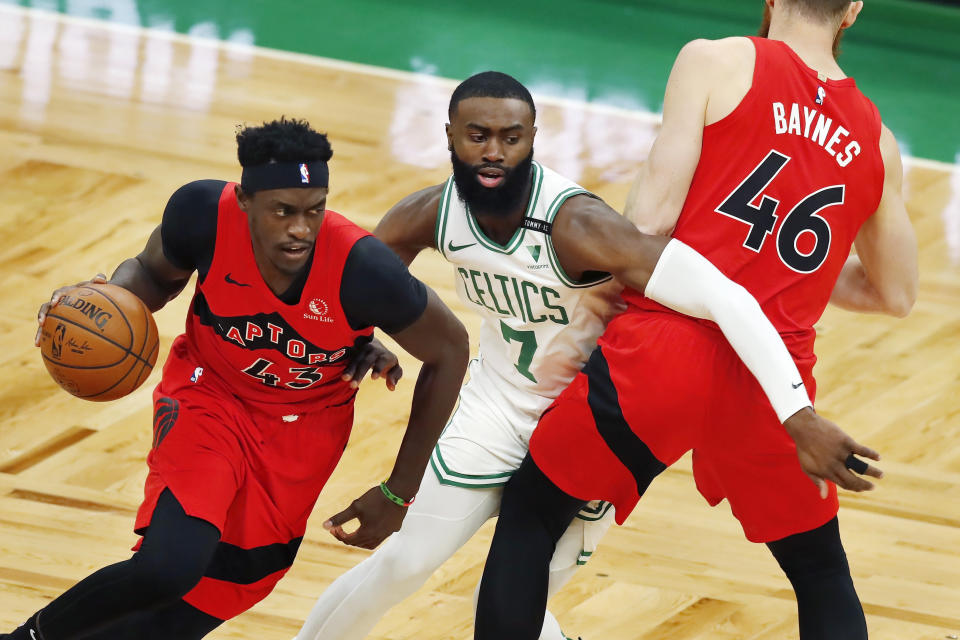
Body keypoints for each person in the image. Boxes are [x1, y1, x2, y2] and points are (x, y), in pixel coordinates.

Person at [296, 71, 880, 640]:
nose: (494, 152)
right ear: (448, 134)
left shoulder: (578, 225)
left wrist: (796, 413)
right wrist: (360, 335)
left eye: (511, 137)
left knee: (516, 596)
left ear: (533, 138)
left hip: (590, 419)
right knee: (405, 563)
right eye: (477, 136)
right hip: (497, 407)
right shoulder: (432, 212)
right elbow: (367, 272)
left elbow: (727, 299)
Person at [473, 1, 918, 639]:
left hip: (663, 353)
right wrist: (791, 275)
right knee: (820, 575)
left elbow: (649, 221)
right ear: (853, 9)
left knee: (533, 515)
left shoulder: (714, 60)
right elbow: (894, 294)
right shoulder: (876, 140)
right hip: (774, 383)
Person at [6, 117, 470, 640]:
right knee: (169, 566)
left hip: (303, 434)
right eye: (283, 211)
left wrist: (399, 491)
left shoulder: (362, 268)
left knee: (200, 606)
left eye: (314, 209)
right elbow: (153, 275)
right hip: (210, 396)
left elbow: (450, 350)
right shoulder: (202, 213)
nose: (302, 228)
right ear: (246, 200)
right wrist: (102, 301)